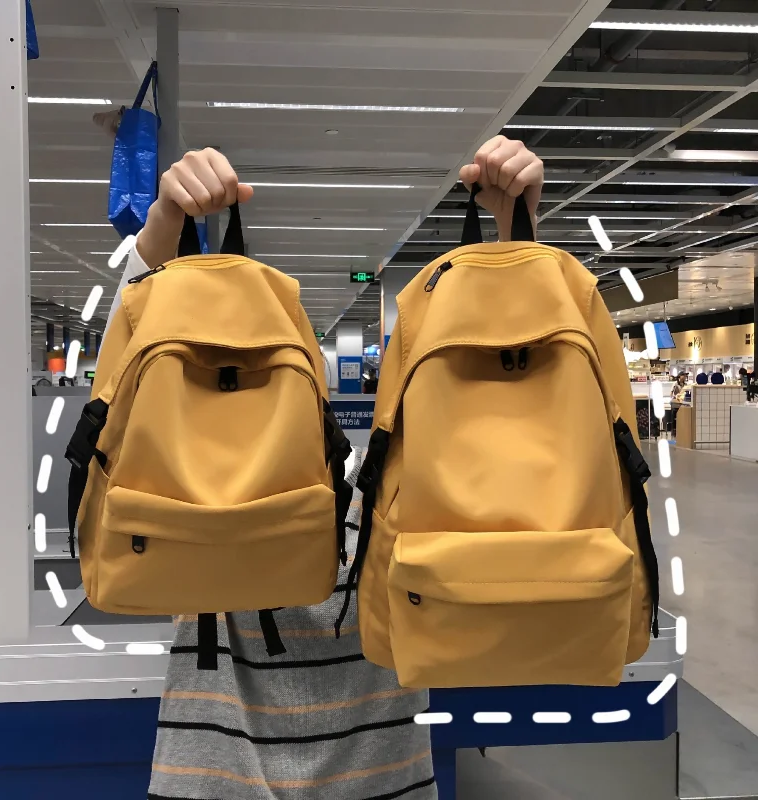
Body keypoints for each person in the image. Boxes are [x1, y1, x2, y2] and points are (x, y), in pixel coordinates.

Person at [105, 136, 544, 800]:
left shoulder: (405, 490)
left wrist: (517, 246)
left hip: (296, 778)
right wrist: (161, 230)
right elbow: (122, 391)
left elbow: (519, 425)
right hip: (264, 780)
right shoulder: (189, 480)